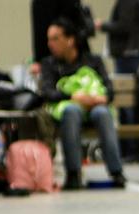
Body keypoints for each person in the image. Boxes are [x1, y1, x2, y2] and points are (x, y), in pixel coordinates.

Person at [39, 18, 125, 189]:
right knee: (72, 111)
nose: (50, 44)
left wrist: (100, 99)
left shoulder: (93, 61)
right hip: (67, 111)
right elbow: (47, 92)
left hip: (94, 107)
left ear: (70, 40)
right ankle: (73, 174)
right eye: (48, 39)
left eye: (55, 38)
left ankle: (117, 172)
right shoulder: (49, 64)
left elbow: (109, 90)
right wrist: (72, 95)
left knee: (102, 112)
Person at [96, 0, 139, 161]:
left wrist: (102, 25)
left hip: (127, 56)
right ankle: (129, 150)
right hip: (127, 55)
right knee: (125, 105)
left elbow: (124, 26)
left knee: (127, 104)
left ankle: (131, 150)